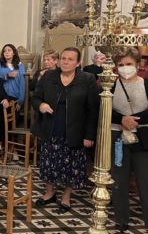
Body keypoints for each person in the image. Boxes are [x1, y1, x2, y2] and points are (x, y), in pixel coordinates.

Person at [31, 47, 99, 212]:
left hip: (76, 131)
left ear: (78, 63)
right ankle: (49, 193)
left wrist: (89, 135)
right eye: (63, 58)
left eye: (70, 59)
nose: (66, 62)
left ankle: (66, 196)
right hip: (51, 128)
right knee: (49, 163)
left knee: (72, 166)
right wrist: (41, 105)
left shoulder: (87, 79)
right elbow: (36, 98)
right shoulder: (48, 76)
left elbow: (93, 110)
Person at [110, 48, 148, 234]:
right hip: (118, 136)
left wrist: (135, 120)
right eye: (121, 65)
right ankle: (121, 219)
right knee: (119, 179)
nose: (125, 68)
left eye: (129, 64)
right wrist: (122, 119)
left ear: (137, 65)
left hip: (144, 136)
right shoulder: (111, 85)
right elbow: (105, 108)